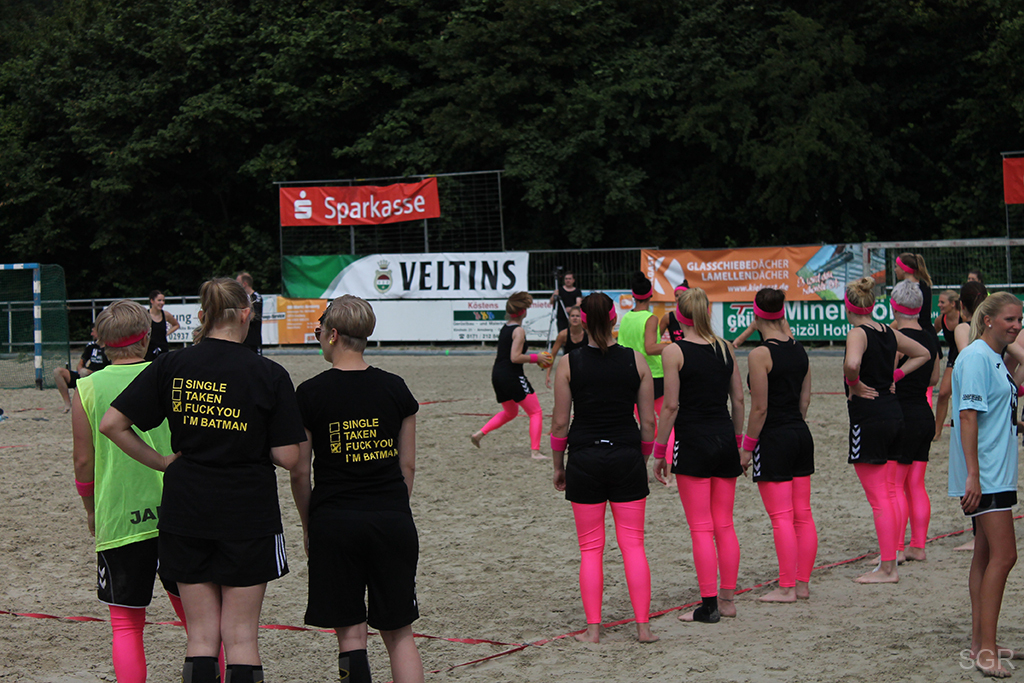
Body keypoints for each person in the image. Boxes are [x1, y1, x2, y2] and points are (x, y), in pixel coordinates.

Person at [100, 278, 306, 683]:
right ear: (246, 314)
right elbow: (288, 457)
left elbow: (112, 424)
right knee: (242, 637)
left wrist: (162, 462)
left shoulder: (172, 365)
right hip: (247, 511)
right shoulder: (269, 373)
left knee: (200, 637)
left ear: (202, 316)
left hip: (186, 508)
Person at [293, 296, 424, 683]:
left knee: (351, 634)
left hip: (335, 521)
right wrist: (394, 506)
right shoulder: (395, 388)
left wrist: (309, 524)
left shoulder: (311, 393)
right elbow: (407, 465)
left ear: (333, 334)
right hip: (391, 519)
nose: (318, 337)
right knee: (399, 633)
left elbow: (300, 472)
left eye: (320, 331)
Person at [71, 300, 185, 683]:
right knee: (200, 623)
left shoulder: (88, 387)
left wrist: (90, 509)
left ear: (101, 342)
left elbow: (83, 462)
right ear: (147, 336)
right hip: (177, 510)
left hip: (121, 516)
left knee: (126, 625)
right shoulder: (168, 375)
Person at [550, 292, 657, 644]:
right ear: (614, 319)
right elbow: (648, 423)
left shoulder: (569, 363)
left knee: (590, 549)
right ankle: (643, 627)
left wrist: (558, 465)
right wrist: (641, 458)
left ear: (583, 322)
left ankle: (593, 630)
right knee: (634, 546)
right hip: (626, 454)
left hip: (585, 457)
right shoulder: (636, 360)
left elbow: (560, 424)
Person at [653, 287, 744, 622]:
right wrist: (738, 442)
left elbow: (671, 406)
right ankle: (727, 600)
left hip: (693, 440)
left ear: (680, 316)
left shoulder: (674, 351)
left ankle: (708, 606)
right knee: (725, 523)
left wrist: (659, 450)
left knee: (701, 527)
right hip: (724, 437)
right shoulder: (725, 347)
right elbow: (739, 400)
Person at [948, 292, 1024, 677]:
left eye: (1020, 320)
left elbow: (994, 413)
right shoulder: (977, 356)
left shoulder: (995, 357)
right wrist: (973, 475)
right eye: (1010, 319)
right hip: (987, 473)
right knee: (1005, 556)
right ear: (989, 319)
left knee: (985, 555)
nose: (1016, 326)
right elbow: (967, 416)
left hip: (997, 468)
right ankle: (986, 651)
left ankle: (981, 643)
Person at [842, 277, 929, 584]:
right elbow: (923, 353)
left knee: (880, 498)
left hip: (870, 418)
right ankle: (891, 558)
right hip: (894, 415)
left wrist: (854, 383)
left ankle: (888, 567)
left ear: (848, 307)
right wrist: (896, 375)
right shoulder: (887, 331)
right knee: (890, 494)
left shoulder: (858, 333)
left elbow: (853, 363)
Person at [739, 288, 817, 603]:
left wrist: (747, 448)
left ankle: (786, 587)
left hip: (774, 436)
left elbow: (759, 408)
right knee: (803, 514)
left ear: (756, 315)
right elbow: (805, 399)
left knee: (781, 517)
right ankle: (802, 584)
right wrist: (794, 424)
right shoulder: (799, 349)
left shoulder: (760, 354)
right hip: (800, 432)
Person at [889, 280, 940, 563]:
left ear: (894, 306)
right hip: (923, 412)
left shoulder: (897, 338)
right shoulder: (931, 337)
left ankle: (895, 548)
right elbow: (934, 378)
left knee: (895, 485)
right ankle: (917, 545)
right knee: (916, 484)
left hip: (902, 414)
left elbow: (887, 376)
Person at [471, 292, 551, 459]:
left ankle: (479, 434)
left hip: (497, 375)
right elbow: (515, 357)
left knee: (510, 412)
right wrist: (536, 358)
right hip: (511, 375)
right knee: (536, 412)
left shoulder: (506, 327)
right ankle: (535, 452)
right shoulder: (518, 331)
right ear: (523, 312)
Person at [948, 281, 989, 552]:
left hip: (973, 399)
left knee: (971, 467)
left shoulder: (965, 329)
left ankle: (979, 534)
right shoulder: (992, 332)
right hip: (985, 398)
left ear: (961, 306)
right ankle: (979, 532)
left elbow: (967, 357)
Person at [618, 272, 669, 419]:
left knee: (644, 420)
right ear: (650, 294)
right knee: (665, 419)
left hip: (630, 373)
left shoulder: (626, 318)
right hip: (653, 374)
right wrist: (675, 346)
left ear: (633, 295)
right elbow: (650, 348)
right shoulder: (650, 318)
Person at [55, 325, 109, 413]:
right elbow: (80, 363)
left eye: (93, 331)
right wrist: (80, 371)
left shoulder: (110, 348)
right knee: (58, 372)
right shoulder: (91, 346)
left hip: (100, 376)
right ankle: (67, 403)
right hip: (86, 374)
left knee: (85, 373)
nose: (91, 334)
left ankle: (85, 400)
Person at [933, 289, 961, 441]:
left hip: (967, 357)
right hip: (953, 358)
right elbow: (931, 335)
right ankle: (937, 432)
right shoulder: (941, 320)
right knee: (943, 393)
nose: (939, 305)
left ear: (953, 304)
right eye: (939, 302)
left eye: (942, 302)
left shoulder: (964, 317)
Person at [545, 305, 588, 388]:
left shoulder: (588, 334)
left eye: (577, 316)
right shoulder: (563, 335)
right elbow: (552, 356)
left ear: (582, 318)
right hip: (568, 368)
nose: (575, 318)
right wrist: (547, 375)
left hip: (584, 368)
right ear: (569, 318)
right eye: (572, 316)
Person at [144, 290, 181, 361]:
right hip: (148, 349)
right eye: (159, 300)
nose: (162, 303)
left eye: (163, 300)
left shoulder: (166, 314)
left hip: (162, 348)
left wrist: (167, 333)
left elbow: (176, 325)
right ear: (152, 301)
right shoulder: (145, 315)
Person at [236, 272, 263, 355]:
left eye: (238, 283)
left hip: (253, 338)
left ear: (244, 284)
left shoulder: (256, 297)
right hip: (241, 338)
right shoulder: (239, 298)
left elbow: (254, 316)